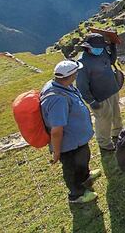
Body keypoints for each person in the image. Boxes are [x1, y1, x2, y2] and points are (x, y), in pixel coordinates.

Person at [41, 60, 101, 204]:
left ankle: (85, 176)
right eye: (76, 72)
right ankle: (76, 194)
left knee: (83, 157)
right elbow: (56, 130)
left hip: (78, 140)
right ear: (71, 75)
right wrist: (56, 152)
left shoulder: (62, 86)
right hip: (68, 144)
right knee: (71, 169)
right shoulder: (57, 99)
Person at [76, 33, 123, 151]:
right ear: (88, 47)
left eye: (101, 47)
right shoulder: (83, 62)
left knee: (116, 114)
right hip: (100, 96)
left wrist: (113, 47)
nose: (99, 49)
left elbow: (111, 61)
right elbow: (81, 85)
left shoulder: (102, 52)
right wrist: (91, 101)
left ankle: (117, 133)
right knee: (103, 120)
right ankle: (104, 143)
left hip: (112, 89)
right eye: (97, 48)